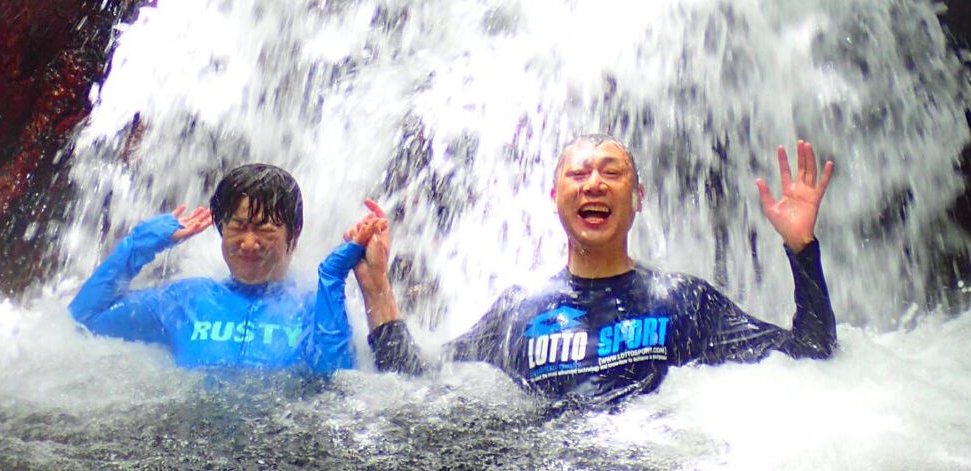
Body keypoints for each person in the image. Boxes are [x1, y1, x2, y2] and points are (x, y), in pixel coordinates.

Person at [349, 135, 837, 405]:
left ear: (638, 198)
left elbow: (810, 353)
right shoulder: (520, 311)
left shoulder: (683, 300)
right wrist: (377, 290)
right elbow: (415, 382)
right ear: (555, 197)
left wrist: (801, 248)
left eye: (612, 172)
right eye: (578, 174)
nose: (594, 185)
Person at [69, 162, 381, 371]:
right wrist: (139, 245)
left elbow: (335, 381)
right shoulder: (186, 300)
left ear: (293, 236)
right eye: (237, 226)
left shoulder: (312, 305)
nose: (248, 242)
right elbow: (83, 319)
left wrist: (332, 278)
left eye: (264, 228)